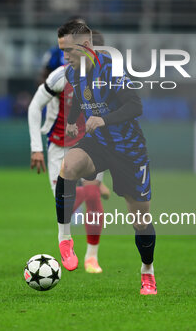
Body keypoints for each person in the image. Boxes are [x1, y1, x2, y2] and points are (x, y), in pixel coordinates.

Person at [54, 20, 156, 295]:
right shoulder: (73, 72)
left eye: (68, 51)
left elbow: (135, 106)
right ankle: (65, 239)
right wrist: (75, 120)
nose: (64, 57)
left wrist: (103, 119)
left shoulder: (111, 68)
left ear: (85, 46)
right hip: (97, 143)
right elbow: (78, 100)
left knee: (140, 219)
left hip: (128, 150)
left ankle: (147, 272)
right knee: (69, 166)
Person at [28, 24, 109, 274]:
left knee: (93, 198)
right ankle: (66, 239)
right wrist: (36, 148)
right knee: (65, 202)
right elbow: (34, 107)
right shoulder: (60, 76)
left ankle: (92, 257)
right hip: (59, 146)